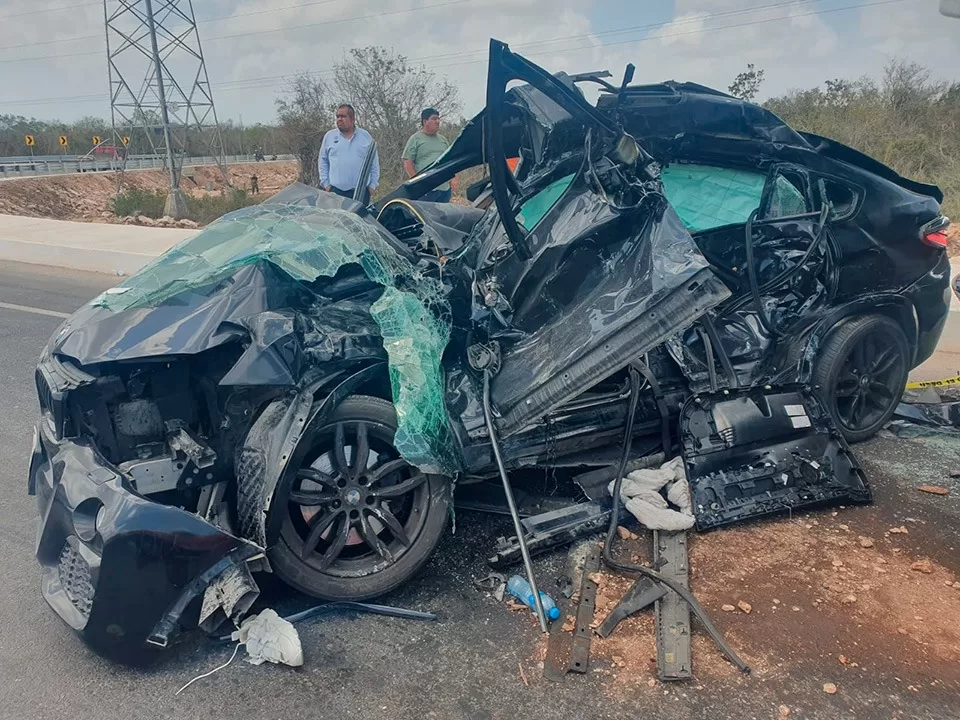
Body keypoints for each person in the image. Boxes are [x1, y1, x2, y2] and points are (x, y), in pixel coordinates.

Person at [318, 103, 380, 204]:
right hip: (336, 193)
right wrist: (326, 185)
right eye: (338, 116)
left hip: (361, 193)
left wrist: (372, 185)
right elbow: (323, 161)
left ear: (352, 119)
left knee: (360, 220)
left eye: (343, 116)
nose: (339, 119)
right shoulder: (329, 137)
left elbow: (374, 162)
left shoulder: (365, 137)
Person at [402, 107, 458, 202]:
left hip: (444, 189)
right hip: (426, 190)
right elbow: (407, 162)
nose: (437, 121)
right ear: (425, 121)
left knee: (442, 216)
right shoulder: (416, 139)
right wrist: (417, 182)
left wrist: (454, 178)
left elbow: (450, 160)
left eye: (438, 119)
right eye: (434, 119)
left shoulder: (443, 140)